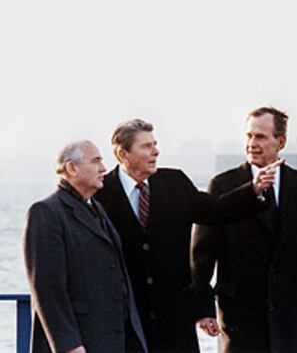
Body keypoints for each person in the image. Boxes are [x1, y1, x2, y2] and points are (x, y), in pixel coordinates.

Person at [94, 118, 278, 352]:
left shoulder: (174, 183)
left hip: (174, 323)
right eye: (146, 146)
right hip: (126, 322)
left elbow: (217, 209)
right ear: (123, 154)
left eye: (155, 144)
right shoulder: (101, 194)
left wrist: (253, 189)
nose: (156, 151)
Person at [191, 106, 297, 353]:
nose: (252, 144)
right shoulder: (222, 185)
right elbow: (202, 254)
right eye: (249, 136)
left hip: (292, 315)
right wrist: (202, 309)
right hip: (241, 316)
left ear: (281, 141)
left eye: (260, 137)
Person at [23, 140, 148, 353]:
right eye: (96, 161)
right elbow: (47, 288)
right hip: (82, 342)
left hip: (115, 339)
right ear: (72, 168)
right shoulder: (46, 212)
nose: (103, 169)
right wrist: (69, 345)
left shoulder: (96, 208)